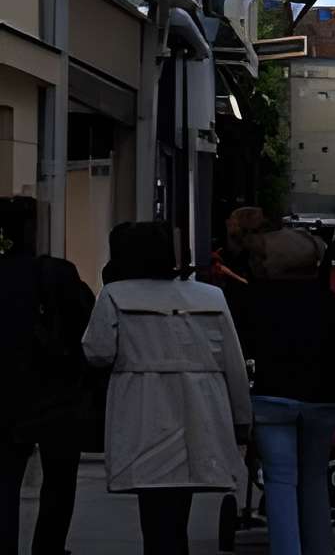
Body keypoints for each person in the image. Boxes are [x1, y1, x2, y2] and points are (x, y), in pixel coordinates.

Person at [82, 219, 251, 555]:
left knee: (154, 503)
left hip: (142, 406)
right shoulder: (210, 296)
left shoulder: (115, 295)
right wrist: (242, 418)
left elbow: (97, 352)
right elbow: (232, 361)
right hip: (200, 405)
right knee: (179, 501)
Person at [234, 227, 335, 555]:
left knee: (279, 479)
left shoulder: (249, 302)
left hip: (270, 398)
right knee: (315, 478)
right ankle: (319, 547)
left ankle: (287, 549)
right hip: (322, 400)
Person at [0, 195, 94, 555]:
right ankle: (48, 548)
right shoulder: (58, 273)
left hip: (6, 396)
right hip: (58, 395)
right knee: (58, 482)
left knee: (5, 482)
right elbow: (86, 330)